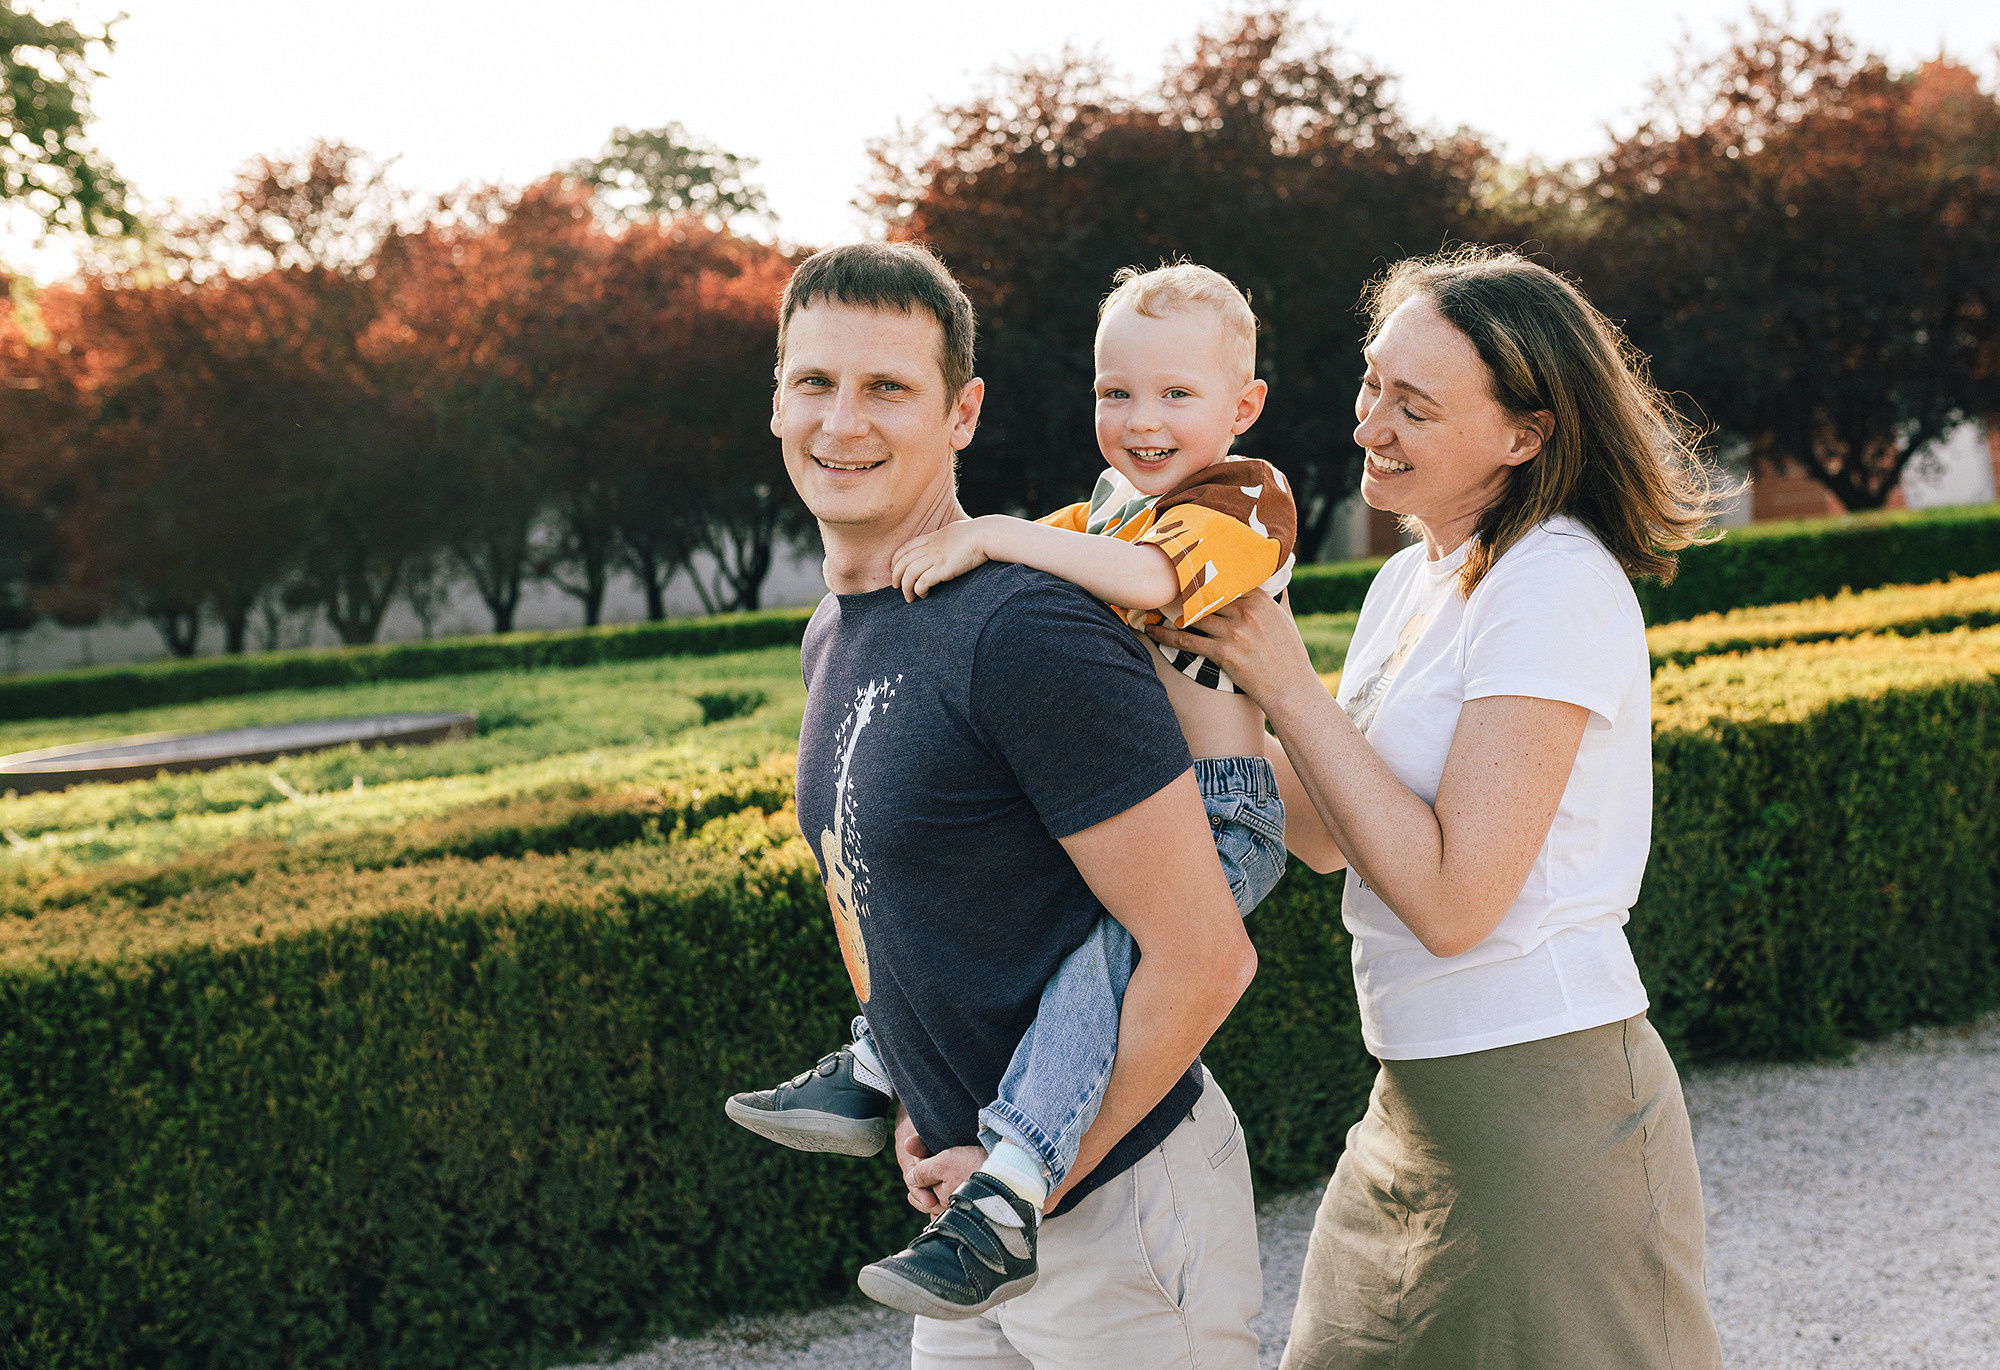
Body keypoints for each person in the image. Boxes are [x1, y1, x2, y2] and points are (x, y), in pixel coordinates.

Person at [1148, 247, 1728, 1369]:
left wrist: (1284, 680)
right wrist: (1170, 691)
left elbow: (1456, 901)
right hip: (1408, 1104)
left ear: (1523, 434)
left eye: (1412, 406)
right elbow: (1322, 835)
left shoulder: (1553, 580)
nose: (1368, 423)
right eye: (1372, 383)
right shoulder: (1410, 578)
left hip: (1546, 1111)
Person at [730, 261, 1341, 1322]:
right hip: (968, 1191)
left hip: (1108, 1201)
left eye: (886, 387)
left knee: (1104, 954)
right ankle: (877, 1069)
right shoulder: (841, 627)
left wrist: (1019, 1176)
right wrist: (931, 1099)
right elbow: (946, 902)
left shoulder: (1029, 617)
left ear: (962, 410)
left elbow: (1200, 954)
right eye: (815, 381)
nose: (840, 419)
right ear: (776, 398)